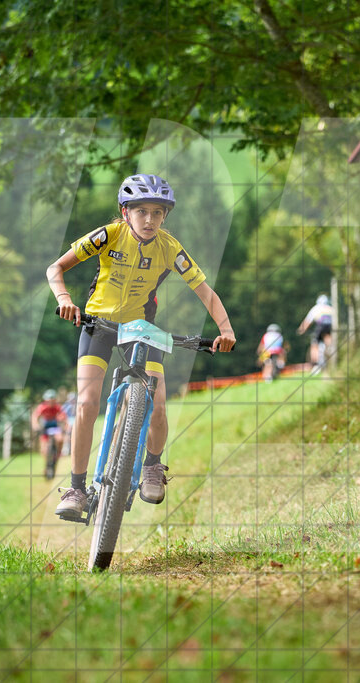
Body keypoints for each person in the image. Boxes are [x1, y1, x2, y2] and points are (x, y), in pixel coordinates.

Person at [46, 173, 236, 519]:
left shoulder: (170, 248)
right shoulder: (108, 235)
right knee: (88, 404)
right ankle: (76, 487)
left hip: (141, 328)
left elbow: (205, 291)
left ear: (165, 216)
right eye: (141, 211)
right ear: (125, 212)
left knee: (158, 403)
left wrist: (225, 330)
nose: (149, 219)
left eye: (158, 213)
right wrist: (65, 299)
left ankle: (152, 466)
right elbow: (55, 268)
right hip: (98, 324)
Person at [297, 294, 334, 370]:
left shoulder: (316, 308)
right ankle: (331, 356)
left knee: (314, 345)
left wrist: (301, 330)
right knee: (328, 341)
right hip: (330, 327)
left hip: (320, 326)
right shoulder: (331, 308)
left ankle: (315, 365)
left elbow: (307, 321)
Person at [31, 389, 65, 461]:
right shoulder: (42, 407)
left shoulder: (57, 406)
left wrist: (61, 419)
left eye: (53, 400)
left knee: (60, 439)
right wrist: (36, 426)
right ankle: (46, 463)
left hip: (54, 425)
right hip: (45, 426)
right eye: (49, 401)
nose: (50, 403)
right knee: (44, 448)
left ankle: (59, 452)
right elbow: (35, 417)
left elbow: (63, 415)